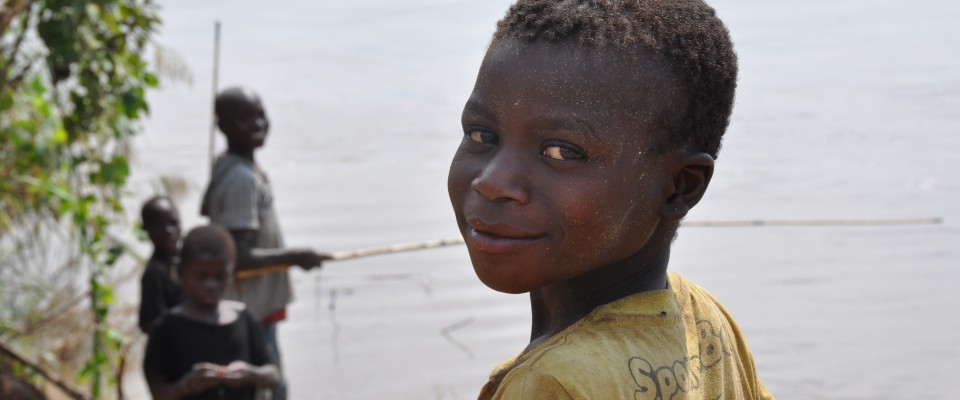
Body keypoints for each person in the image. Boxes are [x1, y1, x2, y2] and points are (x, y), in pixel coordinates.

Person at [447, 1, 775, 399]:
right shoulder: (705, 322)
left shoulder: (552, 384)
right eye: (481, 135)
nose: (491, 182)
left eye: (561, 152)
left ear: (679, 187)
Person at [200, 86, 330, 400]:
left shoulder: (236, 165)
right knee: (269, 387)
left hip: (255, 307)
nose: (257, 124)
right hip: (251, 309)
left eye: (260, 115)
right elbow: (237, 258)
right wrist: (296, 256)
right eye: (244, 119)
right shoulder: (241, 179)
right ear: (222, 126)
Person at [143, 225, 279, 400]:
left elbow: (273, 374)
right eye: (201, 277)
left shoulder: (242, 317)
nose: (211, 285)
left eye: (220, 277)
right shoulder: (166, 328)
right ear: (180, 273)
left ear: (232, 274)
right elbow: (157, 392)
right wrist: (187, 385)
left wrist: (249, 373)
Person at [138, 195, 184, 334]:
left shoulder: (189, 258)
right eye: (159, 225)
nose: (168, 230)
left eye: (173, 222)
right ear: (146, 229)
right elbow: (148, 323)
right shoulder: (155, 272)